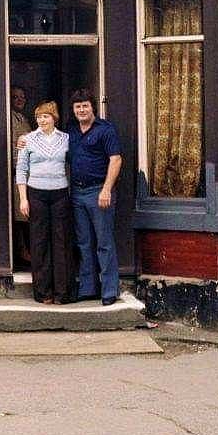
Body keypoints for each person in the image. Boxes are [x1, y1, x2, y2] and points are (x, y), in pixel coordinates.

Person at [65, 87, 123, 304]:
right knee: (83, 242)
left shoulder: (105, 129)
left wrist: (107, 189)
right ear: (73, 109)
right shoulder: (70, 131)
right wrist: (25, 139)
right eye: (77, 106)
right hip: (77, 193)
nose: (81, 110)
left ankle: (109, 290)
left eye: (85, 106)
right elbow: (48, 140)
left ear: (93, 107)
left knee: (104, 242)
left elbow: (115, 159)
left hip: (99, 192)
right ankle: (88, 287)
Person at [15, 101, 75, 305]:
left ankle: (62, 293)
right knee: (39, 242)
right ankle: (43, 293)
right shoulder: (27, 140)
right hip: (36, 194)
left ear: (54, 118)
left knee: (61, 242)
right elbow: (21, 170)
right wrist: (23, 198)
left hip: (59, 193)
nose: (42, 120)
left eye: (46, 116)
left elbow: (73, 164)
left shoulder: (66, 139)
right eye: (39, 116)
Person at [9, 86, 33, 266]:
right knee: (19, 215)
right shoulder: (9, 118)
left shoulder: (23, 118)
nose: (20, 100)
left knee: (25, 214)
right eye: (15, 97)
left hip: (27, 172)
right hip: (17, 171)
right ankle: (21, 252)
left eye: (22, 97)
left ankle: (25, 250)